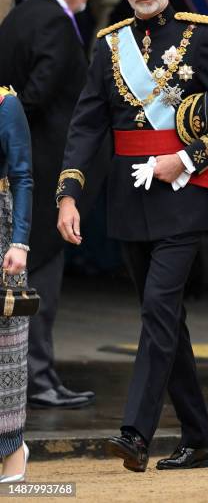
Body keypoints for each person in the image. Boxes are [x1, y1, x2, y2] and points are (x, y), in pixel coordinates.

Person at [56, 0, 208, 472]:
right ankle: (199, 439)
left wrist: (188, 160)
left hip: (183, 199)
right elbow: (87, 126)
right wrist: (69, 194)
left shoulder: (202, 36)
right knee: (167, 322)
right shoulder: (109, 44)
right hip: (127, 200)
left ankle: (135, 433)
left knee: (159, 313)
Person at [0, 0, 96, 409]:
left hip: (18, 167)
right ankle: (38, 378)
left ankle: (30, 375)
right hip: (43, 170)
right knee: (41, 277)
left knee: (20, 273)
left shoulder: (17, 16)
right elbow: (31, 97)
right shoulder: (57, 23)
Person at [0, 88, 33, 482]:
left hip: (2, 230)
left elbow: (23, 175)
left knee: (6, 345)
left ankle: (11, 448)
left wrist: (19, 241)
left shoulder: (6, 103)